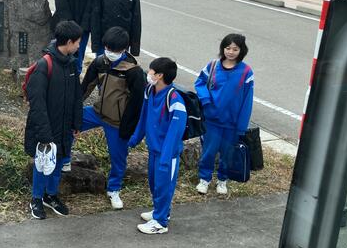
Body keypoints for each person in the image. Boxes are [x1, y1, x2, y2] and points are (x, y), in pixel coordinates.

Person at [79, 27, 146, 210]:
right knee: (69, 123)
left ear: (124, 49)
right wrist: (74, 108)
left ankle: (114, 189)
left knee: (118, 158)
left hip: (117, 121)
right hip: (97, 112)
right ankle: (64, 160)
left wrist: (128, 128)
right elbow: (86, 87)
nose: (110, 52)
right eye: (108, 48)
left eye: (114, 50)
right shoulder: (100, 62)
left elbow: (137, 103)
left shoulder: (133, 71)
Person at [24, 20, 83, 220]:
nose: (79, 46)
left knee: (58, 163)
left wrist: (76, 122)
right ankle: (36, 198)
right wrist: (44, 134)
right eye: (78, 42)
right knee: (42, 164)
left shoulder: (71, 63)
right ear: (69, 42)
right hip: (47, 127)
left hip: (65, 126)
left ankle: (51, 195)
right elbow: (37, 104)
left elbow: (77, 96)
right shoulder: (44, 65)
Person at [128, 57, 187, 235]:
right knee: (155, 184)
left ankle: (160, 222)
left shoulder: (175, 100)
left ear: (160, 75)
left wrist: (165, 158)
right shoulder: (149, 90)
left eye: (151, 71)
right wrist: (134, 139)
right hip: (154, 149)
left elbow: (174, 133)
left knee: (164, 186)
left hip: (167, 154)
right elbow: (144, 117)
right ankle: (160, 211)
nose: (149, 73)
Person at [194, 33, 254, 196]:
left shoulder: (246, 72)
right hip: (211, 120)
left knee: (228, 153)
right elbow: (200, 83)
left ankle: (222, 180)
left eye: (235, 49)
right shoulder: (212, 66)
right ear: (223, 48)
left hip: (232, 123)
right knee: (208, 151)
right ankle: (204, 179)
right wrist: (206, 101)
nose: (231, 52)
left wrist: (241, 125)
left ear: (241, 51)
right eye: (228, 48)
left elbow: (247, 100)